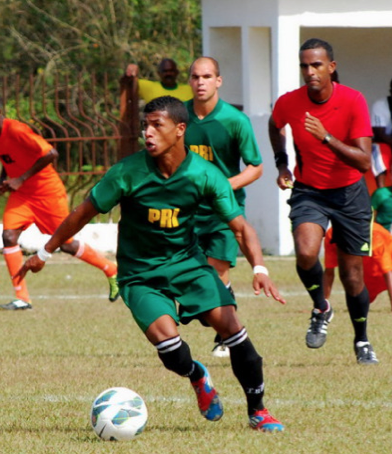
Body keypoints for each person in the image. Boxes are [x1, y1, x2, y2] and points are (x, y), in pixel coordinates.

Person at [18, 96, 286, 433]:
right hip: (140, 274)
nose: (147, 132)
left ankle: (258, 411)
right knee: (170, 347)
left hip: (188, 265)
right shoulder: (126, 173)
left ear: (180, 130)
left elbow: (241, 227)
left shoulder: (205, 175)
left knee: (233, 329)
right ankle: (197, 375)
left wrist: (260, 269)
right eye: (145, 125)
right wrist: (44, 253)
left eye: (157, 125)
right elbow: (80, 214)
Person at [268, 37, 378, 365]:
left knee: (352, 275)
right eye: (304, 66)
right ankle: (321, 306)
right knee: (305, 252)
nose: (310, 72)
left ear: (331, 67)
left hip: (349, 193)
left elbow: (363, 162)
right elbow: (275, 125)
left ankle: (362, 341)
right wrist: (282, 163)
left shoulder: (353, 101)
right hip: (310, 190)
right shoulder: (289, 102)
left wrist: (326, 137)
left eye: (316, 65)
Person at [185, 56, 263, 357]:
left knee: (214, 270)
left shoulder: (235, 120)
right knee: (195, 275)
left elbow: (255, 167)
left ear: (218, 81)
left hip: (223, 211)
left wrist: (224, 185)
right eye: (195, 77)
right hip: (187, 210)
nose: (200, 82)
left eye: (207, 76)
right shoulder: (179, 116)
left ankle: (226, 335)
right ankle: (225, 319)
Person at [0, 115, 119, 310]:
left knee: (66, 244)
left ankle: (111, 268)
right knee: (8, 235)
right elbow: (7, 159)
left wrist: (20, 179)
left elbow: (51, 154)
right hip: (22, 196)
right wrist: (4, 179)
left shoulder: (16, 130)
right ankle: (22, 298)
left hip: (47, 193)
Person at [324, 223, 392, 313]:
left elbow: (388, 270)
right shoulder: (332, 235)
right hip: (368, 268)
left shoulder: (373, 234)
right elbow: (329, 271)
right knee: (359, 303)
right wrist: (321, 305)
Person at [125, 58, 193, 103]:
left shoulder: (189, 90)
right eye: (165, 71)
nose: (168, 74)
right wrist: (132, 69)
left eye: (171, 71)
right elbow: (127, 83)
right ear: (159, 73)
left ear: (177, 72)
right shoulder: (148, 87)